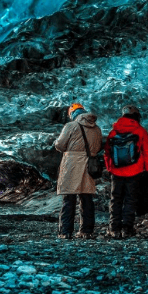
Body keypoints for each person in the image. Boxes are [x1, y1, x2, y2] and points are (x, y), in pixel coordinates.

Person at [54, 102, 103, 239]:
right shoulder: (97, 128)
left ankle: (65, 231)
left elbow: (60, 145)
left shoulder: (71, 126)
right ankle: (86, 231)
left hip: (72, 165)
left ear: (73, 114)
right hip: (89, 165)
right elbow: (98, 147)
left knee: (69, 199)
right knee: (87, 199)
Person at [103, 105, 148, 239]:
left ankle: (114, 228)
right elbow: (147, 151)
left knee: (116, 199)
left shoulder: (114, 131)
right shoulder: (140, 131)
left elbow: (107, 152)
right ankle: (127, 229)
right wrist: (147, 169)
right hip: (134, 171)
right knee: (131, 199)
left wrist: (109, 168)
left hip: (116, 171)